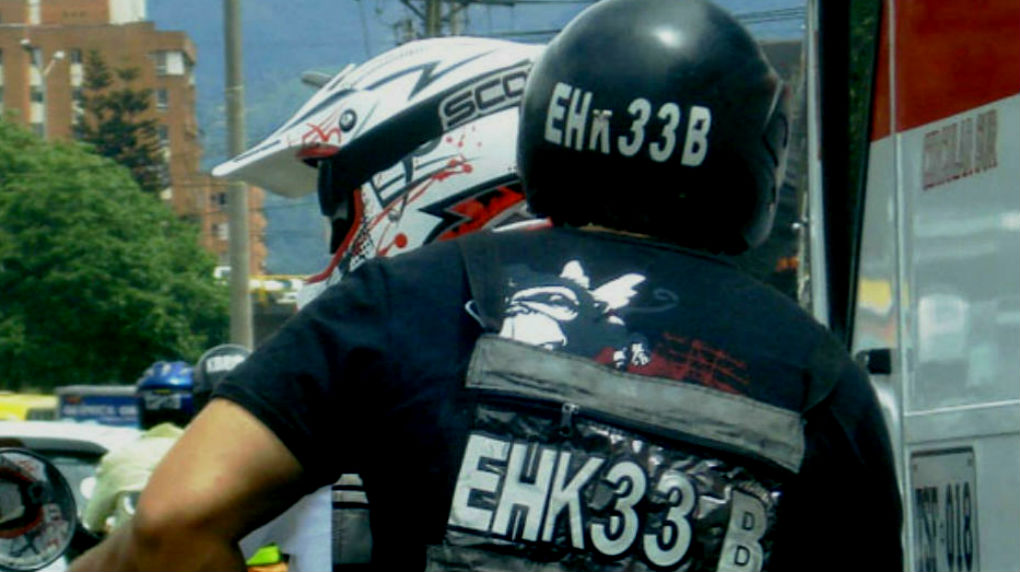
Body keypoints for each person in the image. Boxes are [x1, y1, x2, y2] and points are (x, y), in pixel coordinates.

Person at [70, 0, 903, 570]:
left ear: (547, 124)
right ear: (750, 161)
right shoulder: (817, 374)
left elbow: (173, 521)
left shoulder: (399, 303)